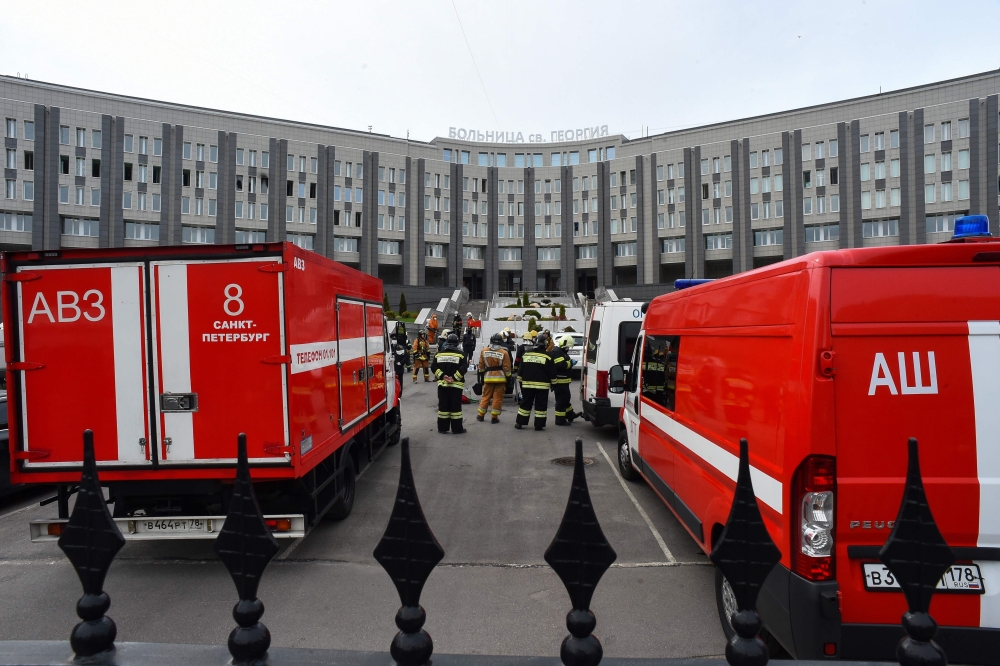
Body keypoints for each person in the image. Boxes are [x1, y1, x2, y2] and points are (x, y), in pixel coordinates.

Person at [515, 331, 556, 431]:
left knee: (525, 404)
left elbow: (520, 372)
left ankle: (520, 423)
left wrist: (521, 384)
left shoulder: (526, 355)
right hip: (542, 386)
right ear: (545, 344)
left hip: (527, 385)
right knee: (541, 406)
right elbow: (552, 373)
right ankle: (539, 425)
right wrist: (554, 384)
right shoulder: (548, 357)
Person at [431, 333, 468, 434]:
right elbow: (463, 368)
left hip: (443, 385)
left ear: (447, 342)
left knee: (443, 407)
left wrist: (443, 376)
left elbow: (433, 367)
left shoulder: (439, 354)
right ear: (457, 343)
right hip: (456, 386)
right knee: (455, 408)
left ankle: (442, 428)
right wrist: (454, 378)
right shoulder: (461, 354)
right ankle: (457, 429)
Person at [476, 333, 511, 423]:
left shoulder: (484, 351)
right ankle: (494, 418)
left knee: (485, 396)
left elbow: (481, 366)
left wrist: (481, 376)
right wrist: (508, 378)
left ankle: (481, 415)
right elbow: (507, 368)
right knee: (497, 398)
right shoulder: (504, 352)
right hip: (500, 379)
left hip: (488, 378)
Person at [551, 334, 579, 426]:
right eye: (568, 347)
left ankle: (570, 415)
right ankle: (560, 420)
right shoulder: (557, 352)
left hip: (563, 381)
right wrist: (571, 363)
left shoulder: (560, 351)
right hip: (559, 381)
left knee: (566, 398)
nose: (568, 349)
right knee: (561, 400)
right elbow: (560, 365)